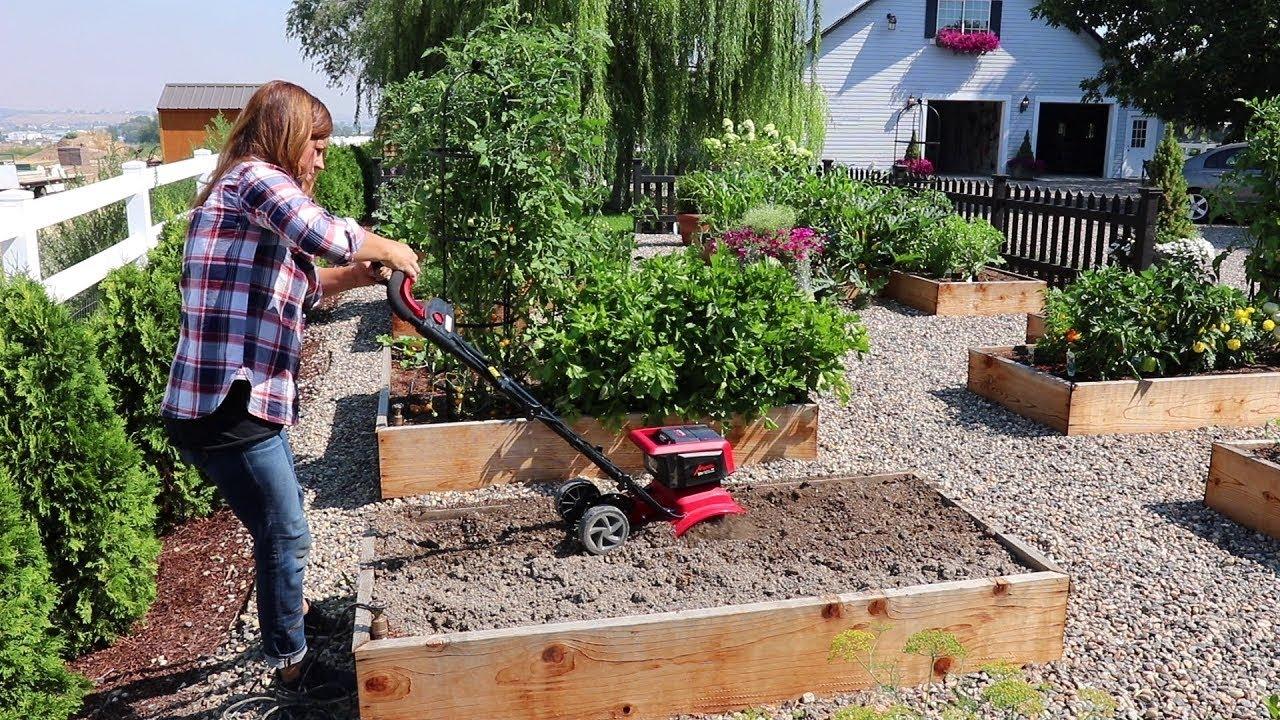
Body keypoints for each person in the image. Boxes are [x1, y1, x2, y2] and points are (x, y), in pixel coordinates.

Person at [160, 80, 418, 698]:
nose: (323, 160)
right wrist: (388, 248)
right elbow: (325, 232)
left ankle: (289, 622)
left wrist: (357, 276)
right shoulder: (255, 179)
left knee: (276, 531)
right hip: (229, 405)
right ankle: (293, 666)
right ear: (283, 136)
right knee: (288, 532)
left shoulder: (245, 198)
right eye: (317, 145)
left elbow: (301, 287)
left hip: (212, 404)